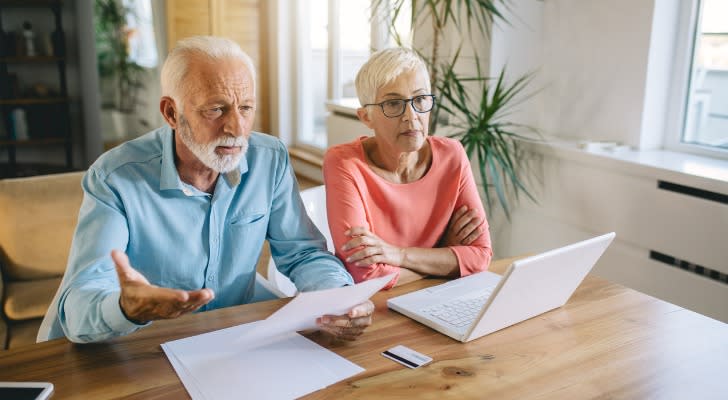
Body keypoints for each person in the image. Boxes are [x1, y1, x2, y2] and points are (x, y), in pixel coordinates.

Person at [45, 36, 372, 343]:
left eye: (245, 108)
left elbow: (302, 252)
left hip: (228, 335)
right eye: (216, 109)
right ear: (171, 113)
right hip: (141, 343)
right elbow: (79, 302)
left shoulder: (268, 158)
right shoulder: (114, 177)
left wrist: (341, 298)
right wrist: (124, 307)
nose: (236, 128)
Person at [323, 47, 493, 290]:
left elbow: (480, 257)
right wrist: (441, 254)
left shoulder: (452, 155)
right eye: (393, 103)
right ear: (366, 117)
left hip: (438, 299)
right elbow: (365, 276)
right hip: (374, 310)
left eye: (420, 99)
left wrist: (398, 255)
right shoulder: (343, 163)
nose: (411, 116)